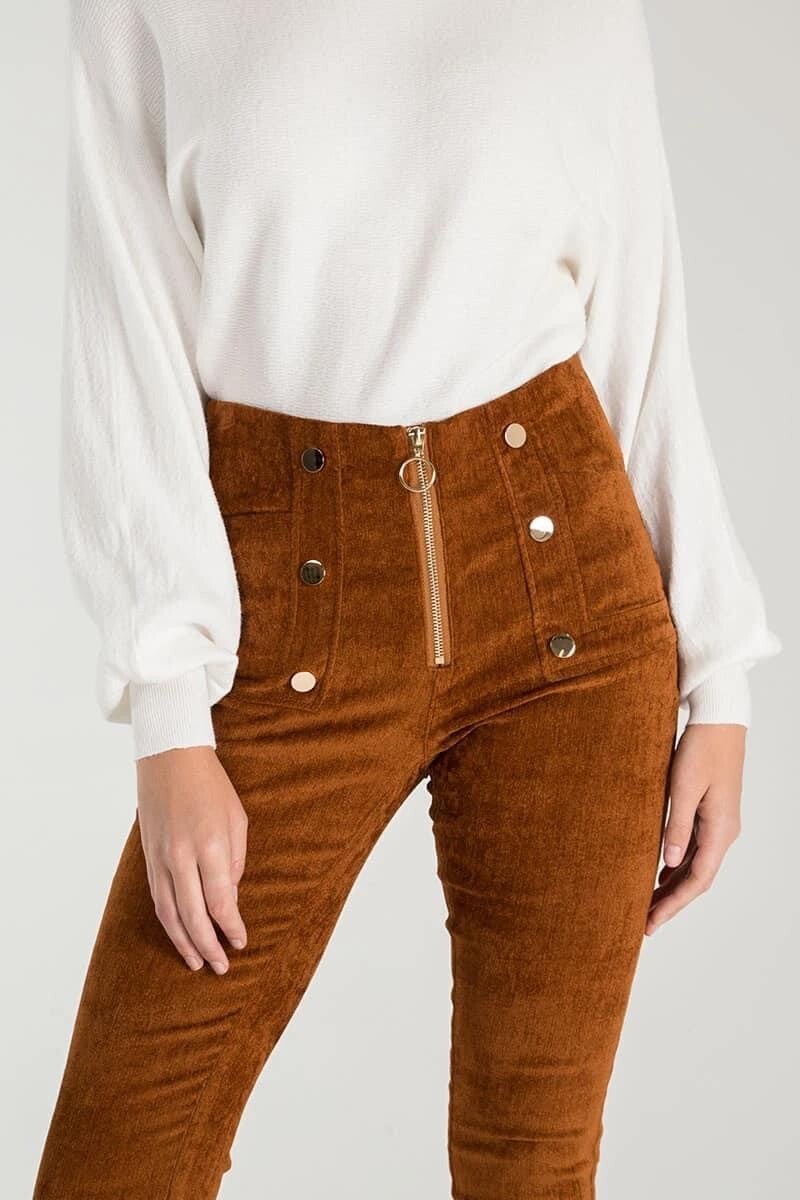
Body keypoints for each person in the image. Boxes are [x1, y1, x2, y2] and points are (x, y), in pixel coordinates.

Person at [33, 1, 780, 1197]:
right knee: (116, 1164)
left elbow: (638, 317)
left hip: (569, 608)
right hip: (288, 621)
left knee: (530, 1168)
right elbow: (123, 318)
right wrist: (169, 715)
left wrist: (719, 677)